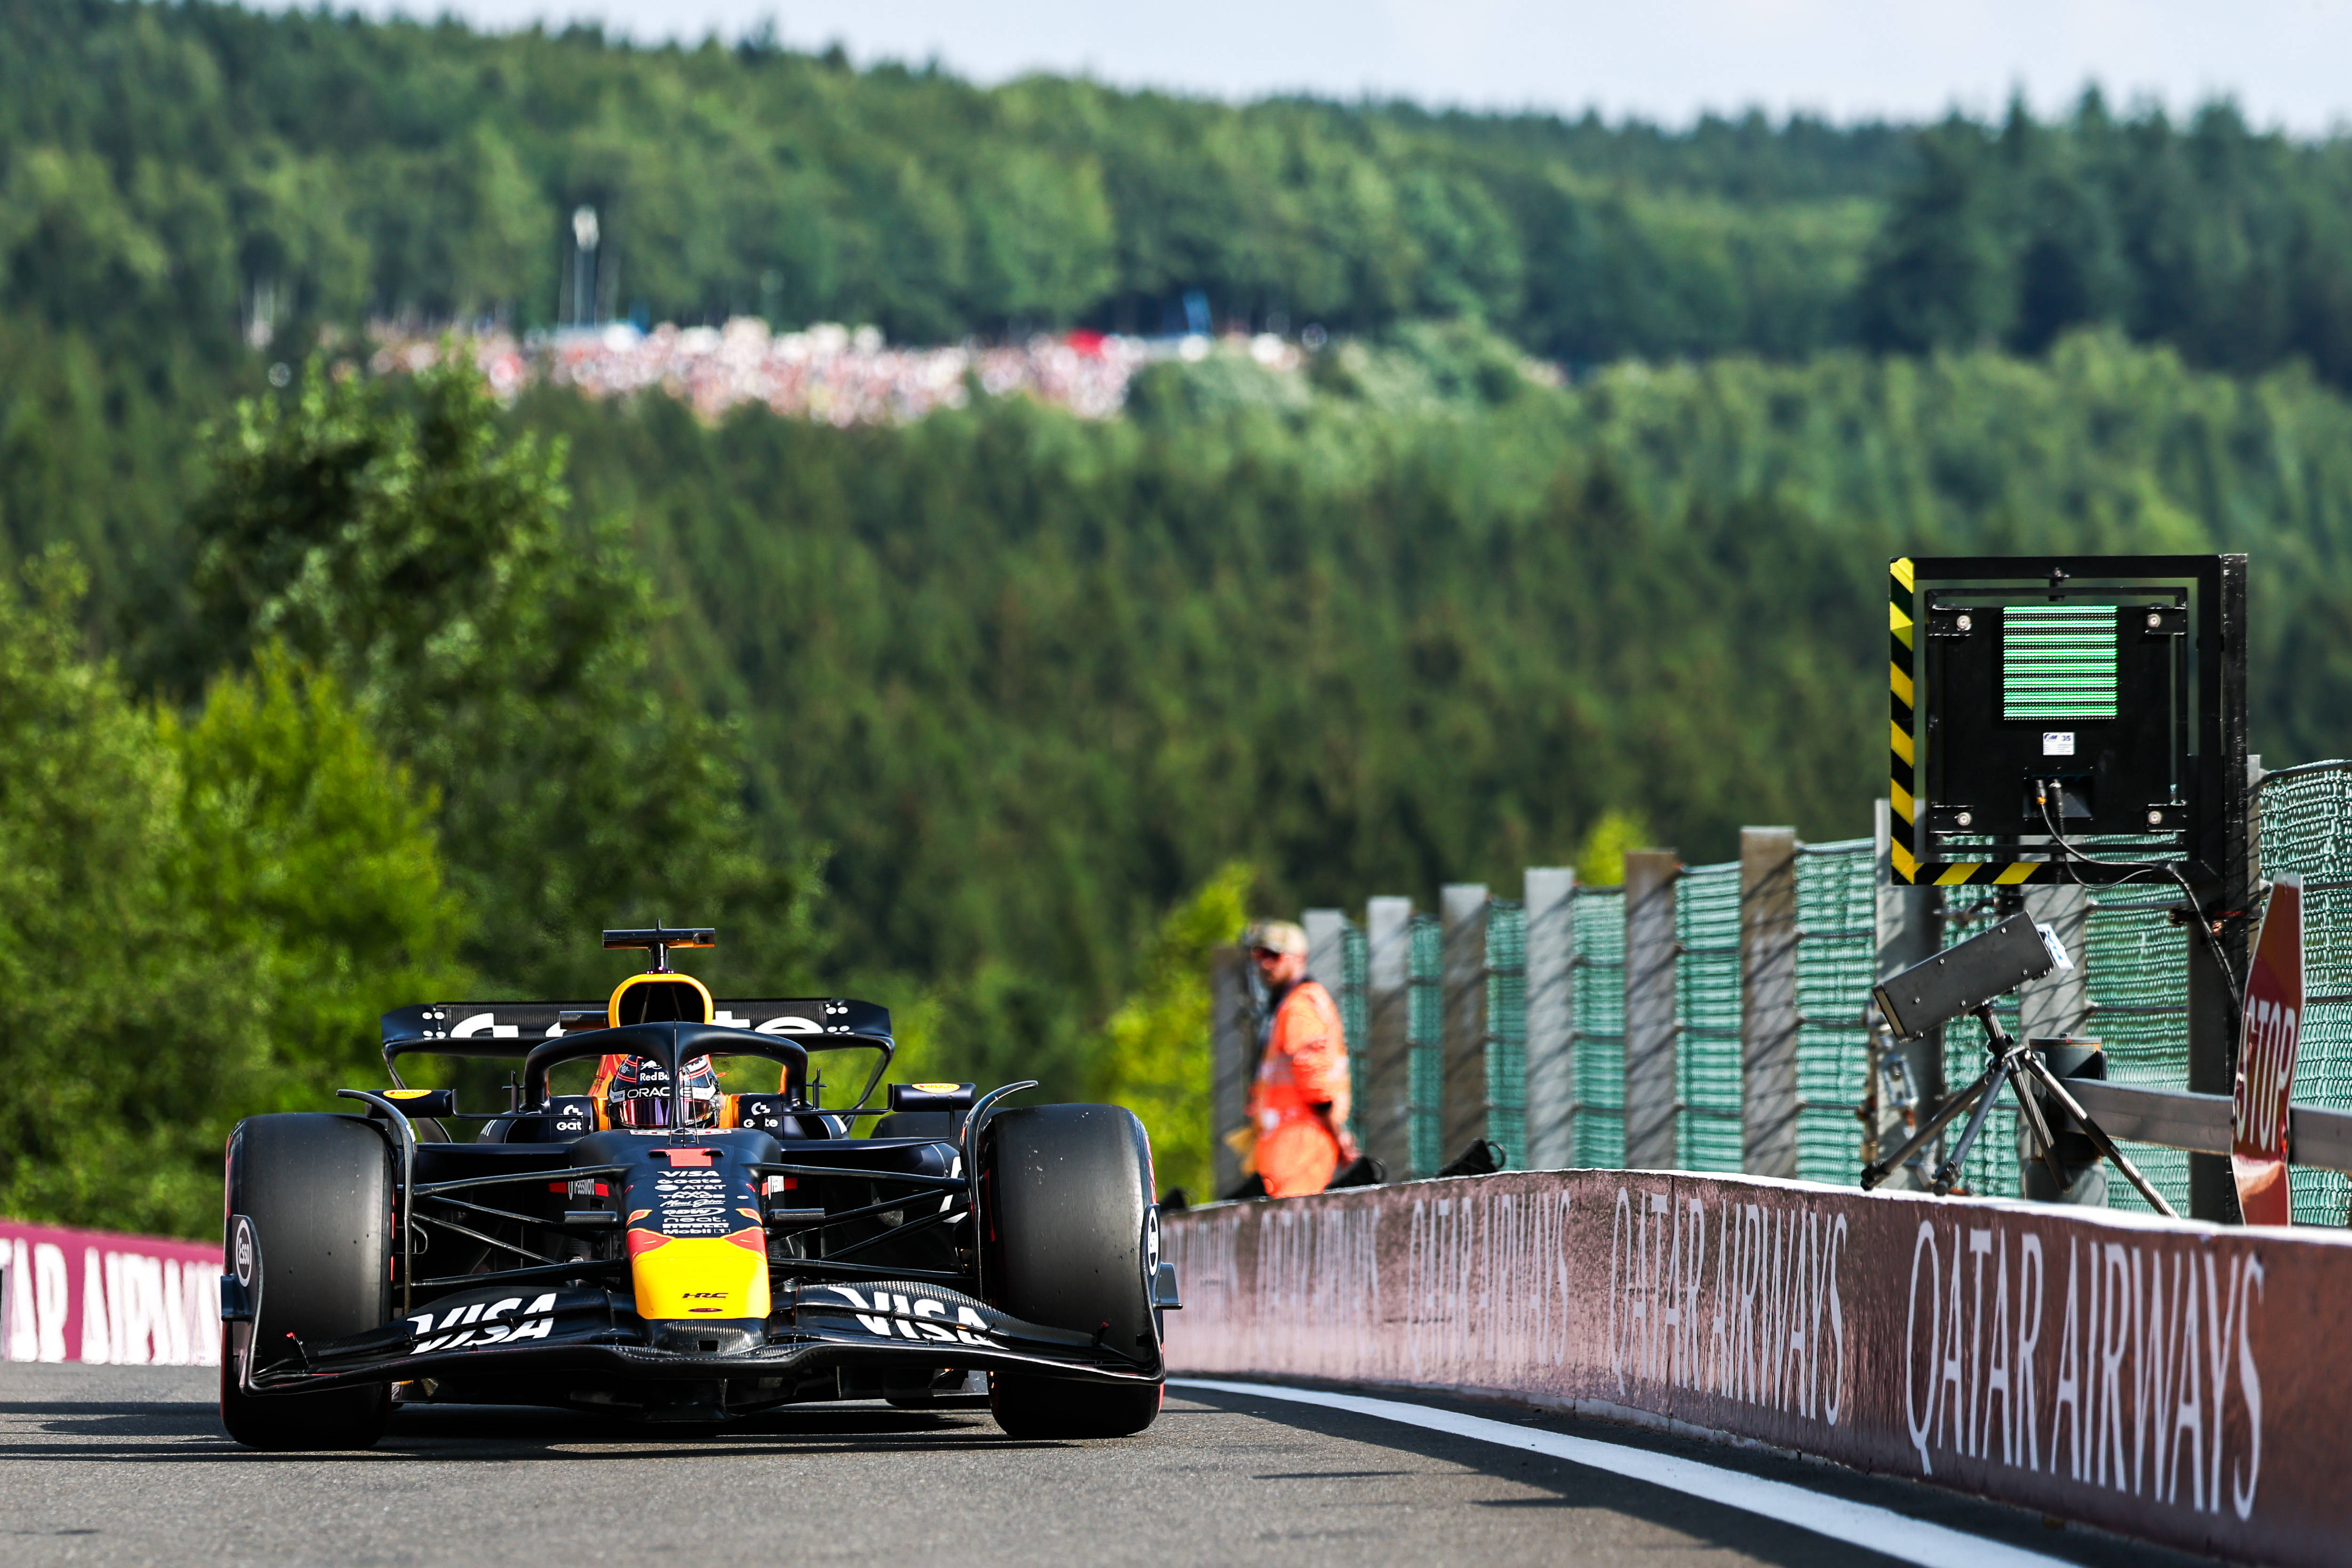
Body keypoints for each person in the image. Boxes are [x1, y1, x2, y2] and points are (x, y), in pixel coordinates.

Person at [1242, 920, 1358, 1197]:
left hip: (1299, 1142)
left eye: (1273, 956)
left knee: (1291, 1225)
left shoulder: (1299, 1007)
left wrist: (1339, 1136)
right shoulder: (1294, 1004)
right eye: (1259, 956)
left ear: (1299, 959)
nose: (1264, 965)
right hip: (1292, 1141)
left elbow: (1313, 1079)